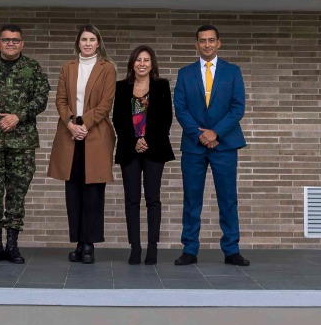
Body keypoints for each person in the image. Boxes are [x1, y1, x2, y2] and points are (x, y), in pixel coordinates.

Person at [0, 24, 50, 264]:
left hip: (22, 142)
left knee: (17, 193)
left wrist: (18, 116)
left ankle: (13, 245)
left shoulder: (32, 68)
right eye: (6, 40)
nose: (11, 43)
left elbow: (42, 97)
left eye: (15, 40)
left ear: (22, 44)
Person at [172, 24, 248, 267]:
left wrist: (216, 132)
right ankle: (190, 249)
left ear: (219, 43)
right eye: (202, 41)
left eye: (211, 40)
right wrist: (200, 134)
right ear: (196, 45)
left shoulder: (233, 71)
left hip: (224, 145)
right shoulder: (185, 73)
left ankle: (231, 250)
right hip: (194, 146)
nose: (207, 44)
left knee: (228, 198)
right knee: (192, 199)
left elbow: (238, 107)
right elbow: (181, 109)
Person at [46, 25, 117, 264]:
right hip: (70, 135)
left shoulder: (107, 68)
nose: (87, 43)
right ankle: (78, 242)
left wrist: (84, 123)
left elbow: (106, 103)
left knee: (93, 192)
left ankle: (89, 244)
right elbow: (61, 100)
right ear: (78, 43)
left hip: (95, 134)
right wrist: (70, 125)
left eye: (92, 39)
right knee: (73, 191)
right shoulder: (68, 68)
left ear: (98, 43)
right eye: (84, 39)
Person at [113, 44, 173, 265]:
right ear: (132, 63)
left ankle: (152, 248)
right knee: (131, 199)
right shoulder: (121, 87)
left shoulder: (162, 86)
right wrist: (134, 141)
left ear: (152, 64)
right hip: (129, 149)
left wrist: (147, 141)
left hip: (154, 149)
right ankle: (135, 247)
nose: (142, 64)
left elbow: (166, 119)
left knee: (152, 198)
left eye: (146, 60)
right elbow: (117, 119)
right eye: (138, 60)